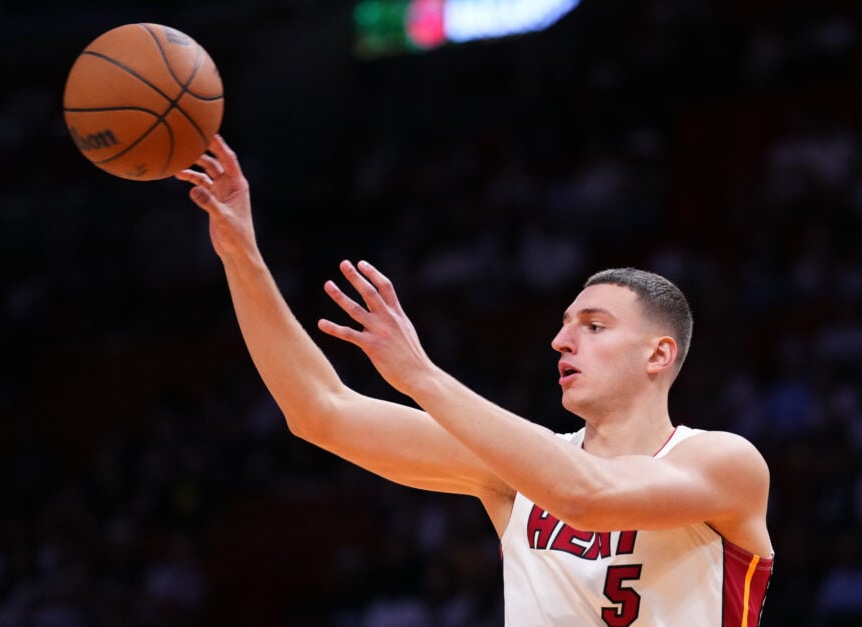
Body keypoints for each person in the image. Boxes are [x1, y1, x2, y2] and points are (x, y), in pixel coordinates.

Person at [176, 135, 774, 626]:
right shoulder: (516, 471)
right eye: (564, 326)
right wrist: (241, 255)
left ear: (658, 354)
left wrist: (421, 377)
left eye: (594, 326)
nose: (562, 341)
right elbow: (320, 410)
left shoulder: (724, 463)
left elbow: (588, 498)